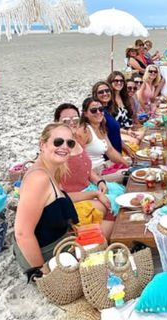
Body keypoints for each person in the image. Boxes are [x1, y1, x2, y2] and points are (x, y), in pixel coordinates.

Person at [14, 122, 79, 274]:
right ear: (42, 145)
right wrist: (44, 272)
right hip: (44, 254)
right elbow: (22, 233)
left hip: (60, 243)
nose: (64, 147)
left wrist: (95, 194)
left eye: (69, 143)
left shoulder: (51, 169)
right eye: (58, 141)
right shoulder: (38, 178)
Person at [54, 104, 120, 235]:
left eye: (75, 119)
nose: (72, 122)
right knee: (111, 206)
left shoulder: (77, 140)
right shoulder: (57, 151)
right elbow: (59, 195)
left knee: (120, 195)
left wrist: (100, 181)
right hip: (72, 200)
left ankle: (106, 238)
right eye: (66, 120)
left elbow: (87, 170)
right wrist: (94, 194)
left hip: (89, 188)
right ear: (56, 122)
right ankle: (97, 243)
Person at [76, 97, 127, 181]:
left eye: (101, 109)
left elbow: (110, 151)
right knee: (131, 174)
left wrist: (126, 164)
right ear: (85, 114)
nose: (98, 112)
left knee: (134, 163)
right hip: (95, 173)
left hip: (104, 166)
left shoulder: (101, 128)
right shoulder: (84, 131)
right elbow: (77, 159)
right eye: (93, 110)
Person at [106, 71, 144, 145]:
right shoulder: (108, 99)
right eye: (116, 80)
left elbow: (130, 117)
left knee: (145, 134)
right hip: (115, 132)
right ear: (110, 82)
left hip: (127, 130)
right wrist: (126, 132)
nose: (119, 83)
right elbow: (109, 125)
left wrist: (130, 129)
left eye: (121, 81)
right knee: (135, 141)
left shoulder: (124, 97)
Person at [91, 81, 123, 154]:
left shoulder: (108, 110)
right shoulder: (98, 114)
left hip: (117, 155)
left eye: (107, 91)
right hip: (108, 158)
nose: (105, 93)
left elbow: (115, 134)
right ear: (95, 95)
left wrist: (127, 150)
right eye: (101, 92)